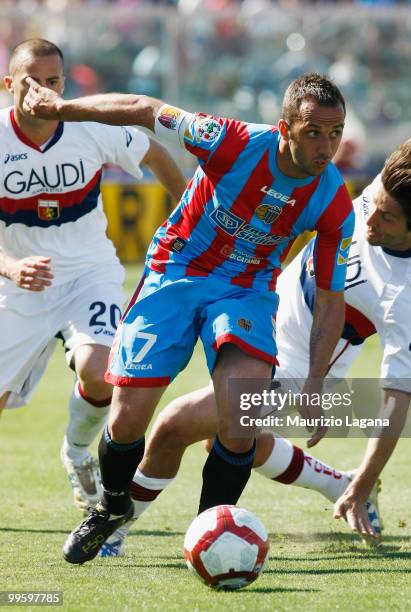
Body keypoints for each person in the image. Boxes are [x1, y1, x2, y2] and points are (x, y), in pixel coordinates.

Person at [23, 72, 357, 563]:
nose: (326, 147)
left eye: (336, 133)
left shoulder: (333, 200)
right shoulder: (231, 140)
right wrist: (61, 108)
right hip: (176, 270)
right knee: (128, 416)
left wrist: (313, 381)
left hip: (245, 291)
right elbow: (143, 108)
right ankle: (111, 510)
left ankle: (211, 532)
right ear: (284, 128)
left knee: (240, 417)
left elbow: (330, 299)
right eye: (313, 133)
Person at [97, 132, 411, 556]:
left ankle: (112, 530)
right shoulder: (382, 197)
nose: (369, 219)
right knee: (229, 439)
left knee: (174, 426)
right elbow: (391, 202)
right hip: (257, 316)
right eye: (376, 204)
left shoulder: (404, 296)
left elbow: (396, 401)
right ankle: (338, 482)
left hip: (300, 369)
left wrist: (368, 478)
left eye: (387, 219)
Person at [0, 39, 186, 514]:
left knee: (102, 372)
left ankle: (78, 452)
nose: (43, 90)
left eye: (53, 80)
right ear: (8, 85)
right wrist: (12, 267)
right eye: (31, 81)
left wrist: (192, 216)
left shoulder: (89, 126)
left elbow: (156, 154)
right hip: (17, 283)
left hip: (89, 273)